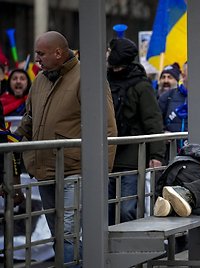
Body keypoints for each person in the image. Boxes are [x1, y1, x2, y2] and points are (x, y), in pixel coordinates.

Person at [14, 31, 118, 266]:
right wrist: (13, 139)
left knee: (69, 233)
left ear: (58, 53)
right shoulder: (40, 80)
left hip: (76, 169)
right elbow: (29, 119)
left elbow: (107, 127)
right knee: (58, 234)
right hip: (44, 169)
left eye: (41, 54)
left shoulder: (88, 78)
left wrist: (103, 171)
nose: (36, 58)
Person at [106, 37, 166, 225]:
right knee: (106, 209)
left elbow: (153, 120)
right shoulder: (104, 81)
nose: (107, 53)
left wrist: (156, 153)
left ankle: (128, 249)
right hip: (107, 156)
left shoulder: (141, 85)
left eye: (110, 49)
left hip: (131, 158)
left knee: (126, 209)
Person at [158, 62, 200, 153]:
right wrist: (163, 135)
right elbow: (156, 124)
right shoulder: (167, 97)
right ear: (183, 75)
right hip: (171, 157)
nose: (198, 76)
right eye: (194, 72)